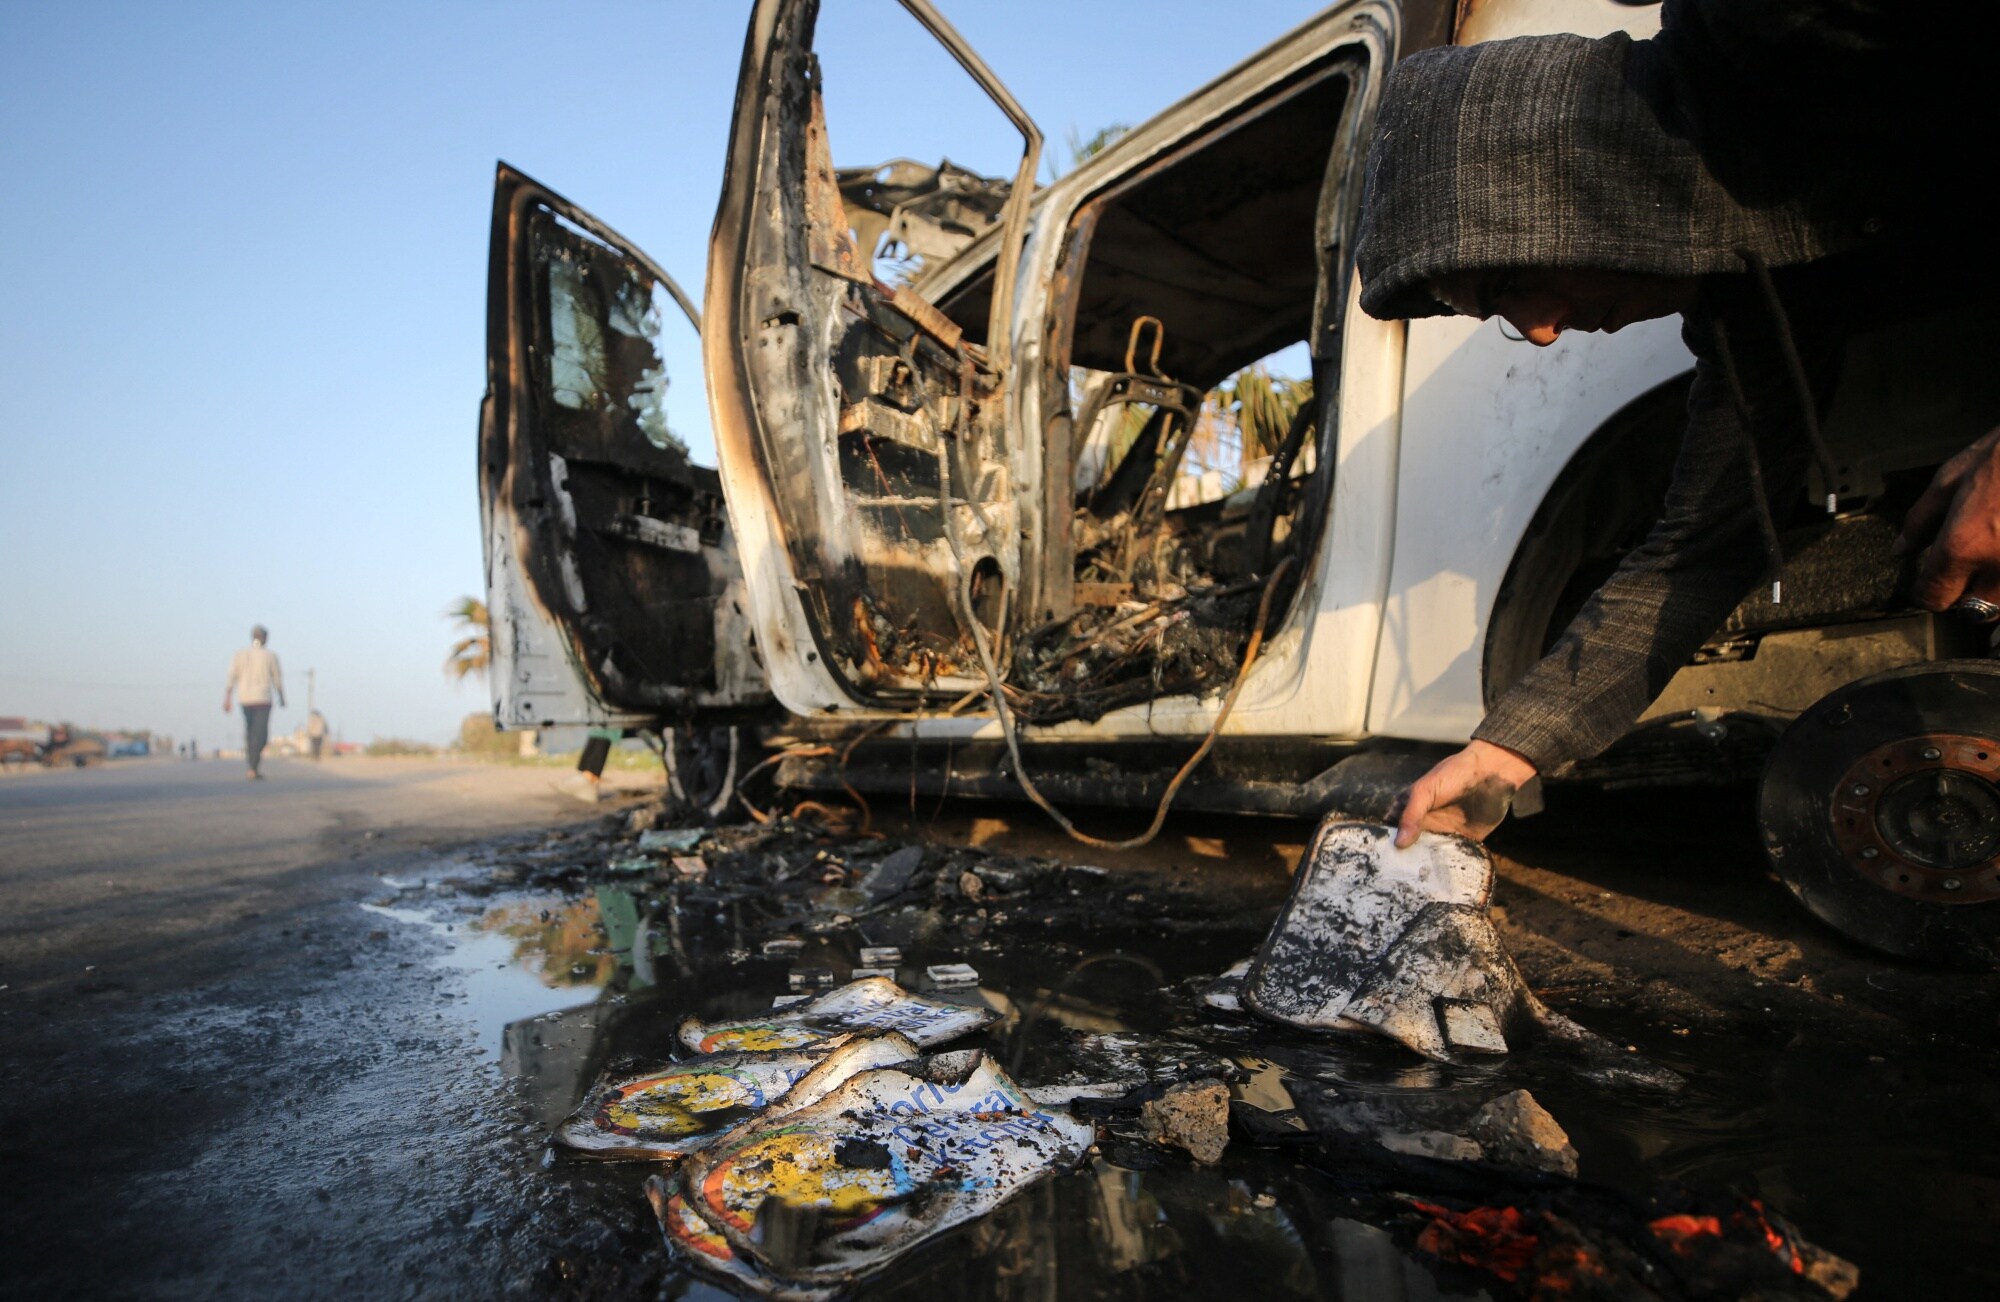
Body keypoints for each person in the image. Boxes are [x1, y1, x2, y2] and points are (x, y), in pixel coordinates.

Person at [1350, 2, 1998, 847]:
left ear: (1554, 173)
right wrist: (1505, 751)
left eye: (1509, 280)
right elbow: (1703, 547)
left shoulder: (1769, 27)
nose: (1540, 331)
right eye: (1502, 319)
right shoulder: (1749, 307)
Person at [223, 625, 285, 780]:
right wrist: (281, 696)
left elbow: (276, 678)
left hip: (251, 699)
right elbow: (276, 678)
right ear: (264, 638)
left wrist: (228, 697)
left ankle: (252, 764)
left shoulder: (266, 656)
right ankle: (253, 766)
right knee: (258, 734)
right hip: (257, 699)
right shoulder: (263, 656)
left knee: (254, 734)